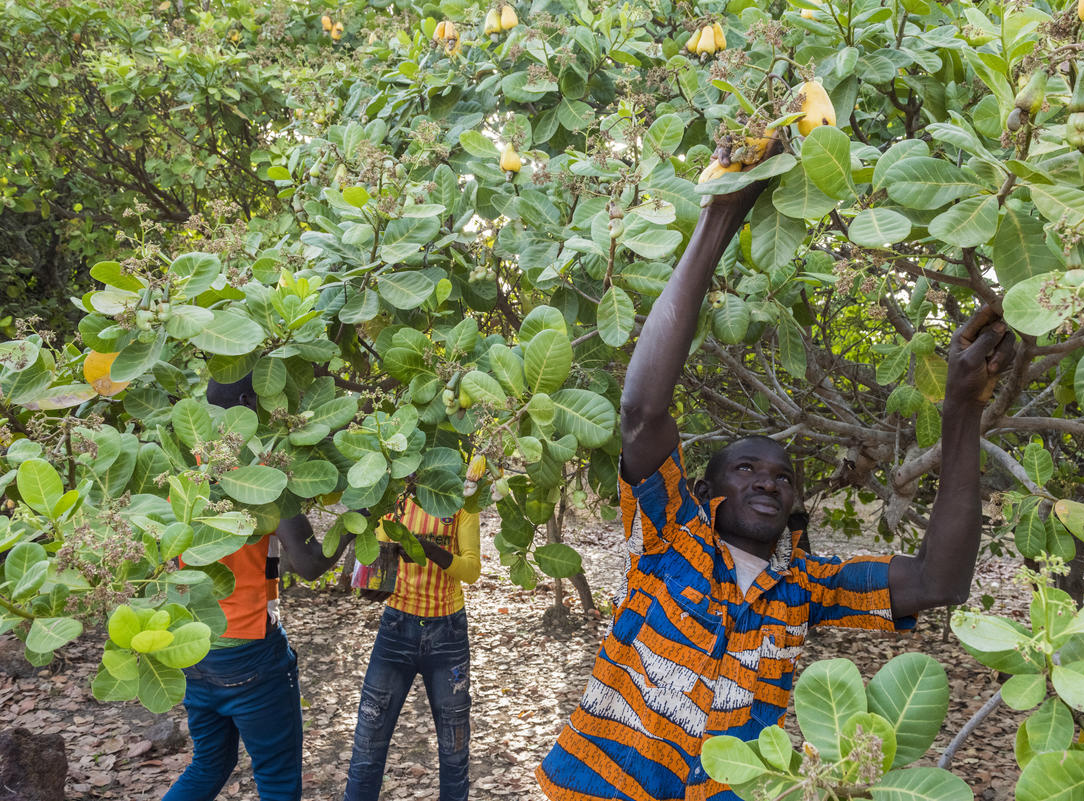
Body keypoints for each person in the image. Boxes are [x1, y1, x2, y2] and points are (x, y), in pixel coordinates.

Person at [537, 150, 1015, 800]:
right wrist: (721, 215)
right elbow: (642, 411)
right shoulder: (666, 541)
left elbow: (941, 579)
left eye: (783, 476)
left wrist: (960, 409)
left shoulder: (805, 587)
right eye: (746, 468)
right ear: (707, 492)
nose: (769, 480)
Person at [164, 375, 353, 801]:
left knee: (209, 764)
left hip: (192, 647)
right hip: (250, 651)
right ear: (249, 401)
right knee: (277, 782)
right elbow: (308, 564)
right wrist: (351, 520)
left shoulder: (186, 468)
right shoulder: (260, 478)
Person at [343, 497, 481, 801]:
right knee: (368, 744)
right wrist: (370, 583)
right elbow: (379, 561)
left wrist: (427, 551)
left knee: (454, 749)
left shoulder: (461, 500)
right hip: (396, 629)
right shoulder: (390, 495)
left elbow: (471, 570)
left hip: (448, 633)